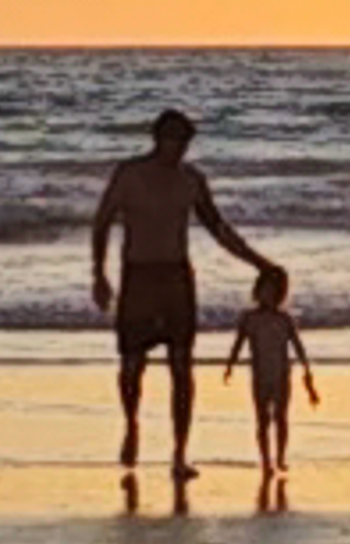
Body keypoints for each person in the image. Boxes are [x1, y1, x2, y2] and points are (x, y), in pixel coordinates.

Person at [88, 108, 270, 492]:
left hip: (176, 277)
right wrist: (99, 274)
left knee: (182, 367)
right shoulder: (129, 174)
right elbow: (102, 222)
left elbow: (219, 229)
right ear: (158, 139)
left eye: (184, 143)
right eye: (173, 140)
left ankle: (179, 453)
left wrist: (259, 262)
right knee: (132, 364)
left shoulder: (191, 180)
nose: (178, 149)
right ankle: (131, 424)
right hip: (139, 275)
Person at [229, 256, 318, 500]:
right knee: (262, 419)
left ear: (280, 294)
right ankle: (265, 460)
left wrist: (308, 373)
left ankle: (280, 457)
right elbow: (238, 343)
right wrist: (230, 365)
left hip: (282, 375)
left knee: (281, 418)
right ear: (257, 291)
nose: (268, 295)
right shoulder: (249, 319)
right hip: (259, 375)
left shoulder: (284, 319)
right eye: (264, 290)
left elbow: (298, 347)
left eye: (273, 291)